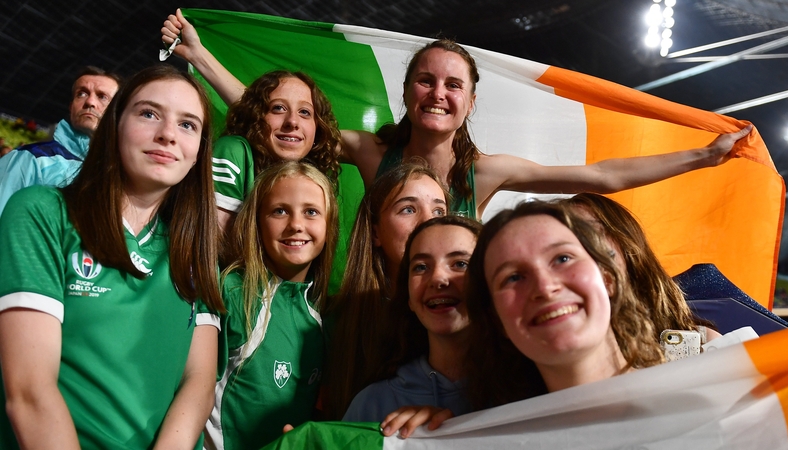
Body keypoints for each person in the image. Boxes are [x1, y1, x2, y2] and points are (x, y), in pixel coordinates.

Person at [161, 10, 752, 219]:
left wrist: (703, 157)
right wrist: (198, 55)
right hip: (375, 322)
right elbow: (272, 117)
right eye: (426, 80)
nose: (438, 93)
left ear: (469, 100)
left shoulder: (487, 173)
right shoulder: (371, 151)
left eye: (452, 84)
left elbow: (603, 178)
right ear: (408, 93)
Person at [0, 64, 223, 449]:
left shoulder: (193, 250)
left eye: (188, 125)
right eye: (149, 113)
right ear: (115, 126)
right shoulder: (42, 213)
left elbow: (198, 386)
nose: (168, 134)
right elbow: (29, 393)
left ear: (199, 151)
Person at [464, 201, 664, 410]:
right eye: (514, 278)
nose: (545, 287)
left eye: (563, 258)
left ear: (608, 278)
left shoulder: (694, 406)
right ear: (497, 319)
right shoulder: (489, 441)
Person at [207, 161, 338, 449]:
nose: (296, 225)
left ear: (329, 225)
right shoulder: (232, 292)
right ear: (256, 222)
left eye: (311, 212)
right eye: (279, 211)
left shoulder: (328, 314)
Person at [324, 163, 448, 420]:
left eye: (439, 210)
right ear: (376, 231)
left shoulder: (470, 311)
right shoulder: (335, 321)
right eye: (408, 209)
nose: (428, 222)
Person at [343, 216, 481, 429]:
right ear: (408, 296)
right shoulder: (372, 404)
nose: (437, 278)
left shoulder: (530, 387)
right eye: (421, 267)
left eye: (460, 264)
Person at [560, 193, 721, 343]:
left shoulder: (700, 342)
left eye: (591, 235)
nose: (584, 250)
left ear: (627, 242)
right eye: (562, 255)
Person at [212, 70, 340, 235]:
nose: (293, 121)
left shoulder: (309, 178)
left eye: (305, 112)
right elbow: (213, 248)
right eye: (278, 108)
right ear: (255, 116)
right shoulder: (233, 151)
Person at [0, 66, 121, 215]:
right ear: (71, 107)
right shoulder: (30, 158)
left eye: (102, 96)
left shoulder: (121, 176)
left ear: (118, 112)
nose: (90, 102)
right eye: (81, 94)